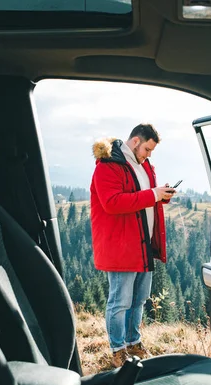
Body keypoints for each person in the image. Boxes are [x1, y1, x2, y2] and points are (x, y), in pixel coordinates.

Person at [90, 123, 175, 368]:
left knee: (138, 299)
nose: (149, 155)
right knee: (120, 301)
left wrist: (161, 196)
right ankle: (118, 349)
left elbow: (144, 198)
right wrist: (153, 195)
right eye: (147, 149)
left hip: (142, 245)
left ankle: (133, 342)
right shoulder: (108, 166)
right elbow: (113, 203)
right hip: (120, 246)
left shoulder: (144, 166)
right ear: (136, 141)